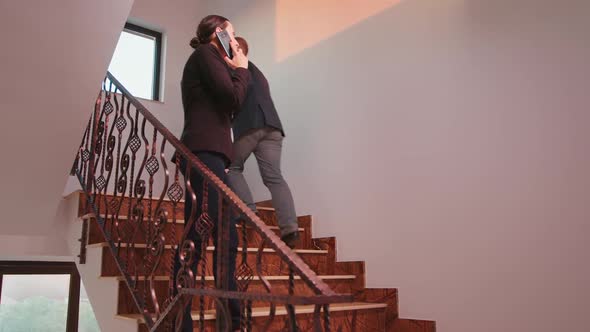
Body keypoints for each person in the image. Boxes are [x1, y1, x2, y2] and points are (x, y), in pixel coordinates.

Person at [173, 14, 249, 332]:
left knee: (206, 234)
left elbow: (230, 103)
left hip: (209, 154)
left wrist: (234, 71)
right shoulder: (206, 54)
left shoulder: (210, 59)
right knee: (215, 235)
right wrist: (241, 69)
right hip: (203, 153)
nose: (234, 41)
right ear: (217, 34)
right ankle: (222, 317)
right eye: (231, 35)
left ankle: (195, 315)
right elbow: (231, 99)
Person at [227, 37, 300, 248]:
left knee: (232, 166)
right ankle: (290, 229)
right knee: (274, 178)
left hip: (250, 125)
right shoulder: (259, 72)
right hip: (273, 127)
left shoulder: (236, 67)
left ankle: (248, 211)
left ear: (237, 49)